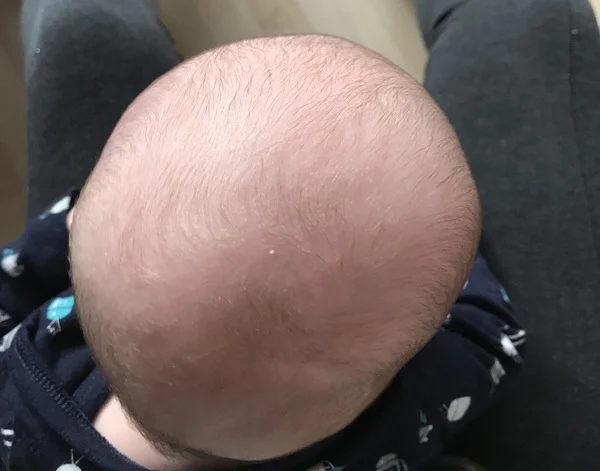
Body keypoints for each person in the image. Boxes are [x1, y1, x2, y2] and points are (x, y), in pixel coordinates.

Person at [8, 0, 589, 469]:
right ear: (364, 400)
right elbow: (489, 333)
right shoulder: (384, 432)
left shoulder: (20, 375)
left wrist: (73, 221)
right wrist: (453, 274)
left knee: (76, 23)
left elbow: (16, 276)